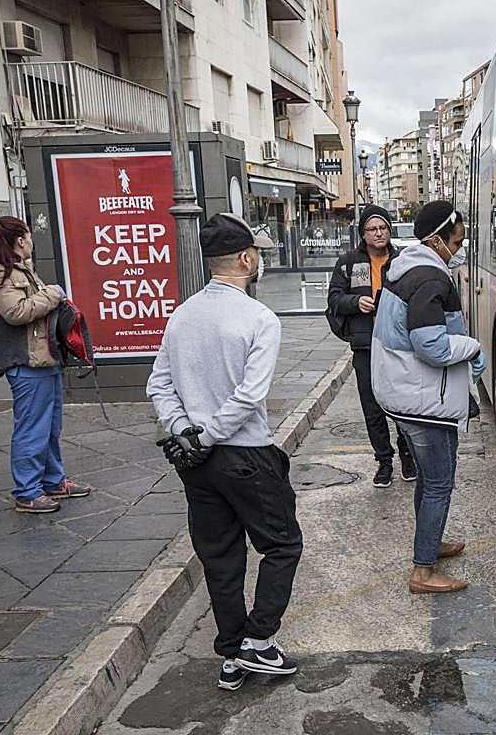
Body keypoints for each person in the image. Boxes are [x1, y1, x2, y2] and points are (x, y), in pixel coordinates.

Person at [146, 213, 302, 692]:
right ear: (245, 258)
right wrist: (208, 434)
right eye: (256, 253)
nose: (258, 259)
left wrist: (185, 432)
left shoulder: (183, 313)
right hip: (245, 455)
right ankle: (259, 640)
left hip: (198, 462)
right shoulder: (259, 318)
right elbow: (249, 397)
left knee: (220, 555)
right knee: (281, 544)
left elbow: (158, 384)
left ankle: (232, 653)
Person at [371, 201, 485, 595]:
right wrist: (471, 347)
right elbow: (431, 347)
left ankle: (430, 542)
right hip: (422, 398)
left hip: (405, 392)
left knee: (428, 479)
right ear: (438, 238)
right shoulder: (430, 279)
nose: (462, 246)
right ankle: (423, 572)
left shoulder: (406, 267)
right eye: (458, 240)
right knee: (439, 482)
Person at [0, 217, 91, 513]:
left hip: (42, 358)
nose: (31, 241)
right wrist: (53, 294)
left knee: (49, 426)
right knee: (32, 428)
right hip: (27, 362)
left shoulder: (18, 270)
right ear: (20, 240)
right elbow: (15, 312)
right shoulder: (5, 275)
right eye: (29, 235)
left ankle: (53, 480)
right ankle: (28, 491)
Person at [327, 205, 415, 488]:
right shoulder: (349, 263)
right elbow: (334, 300)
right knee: (372, 406)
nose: (379, 233)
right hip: (365, 345)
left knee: (403, 403)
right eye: (372, 229)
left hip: (398, 345)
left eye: (383, 228)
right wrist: (357, 302)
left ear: (389, 231)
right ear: (363, 235)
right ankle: (384, 461)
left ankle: (407, 454)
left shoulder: (402, 261)